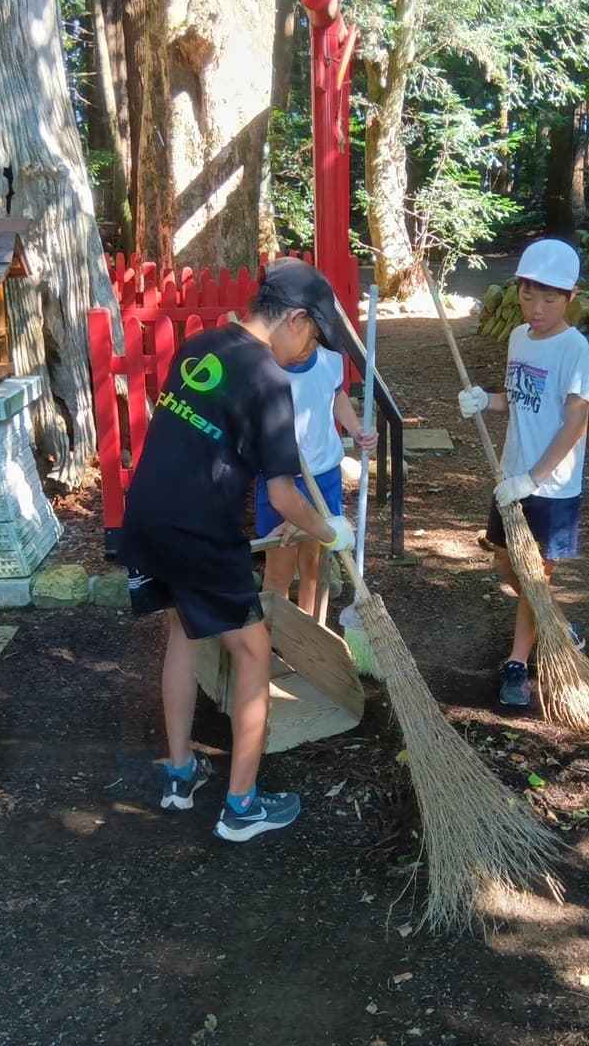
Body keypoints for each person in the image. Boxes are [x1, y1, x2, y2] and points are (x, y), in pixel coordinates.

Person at [119, 258, 355, 842]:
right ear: (294, 319)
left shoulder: (201, 346)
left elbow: (213, 446)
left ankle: (180, 776)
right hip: (199, 532)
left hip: (147, 517)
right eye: (314, 336)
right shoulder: (270, 378)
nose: (311, 350)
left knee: (183, 630)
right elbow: (282, 490)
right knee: (252, 653)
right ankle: (242, 808)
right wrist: (331, 533)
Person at [457, 239, 589, 706]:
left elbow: (576, 421)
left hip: (550, 485)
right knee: (504, 560)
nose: (536, 308)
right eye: (528, 295)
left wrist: (535, 477)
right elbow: (517, 401)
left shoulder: (574, 348)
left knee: (535, 574)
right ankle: (557, 624)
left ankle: (517, 662)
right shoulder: (518, 338)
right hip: (510, 474)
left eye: (549, 298)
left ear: (570, 296)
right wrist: (484, 399)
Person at [255, 336, 377, 615]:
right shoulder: (267, 366)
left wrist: (356, 429)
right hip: (281, 478)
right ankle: (275, 641)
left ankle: (314, 632)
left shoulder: (330, 360)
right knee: (279, 570)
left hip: (324, 477)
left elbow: (335, 395)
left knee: (314, 564)